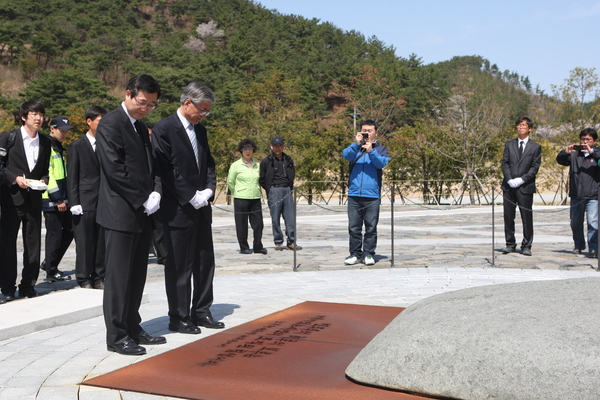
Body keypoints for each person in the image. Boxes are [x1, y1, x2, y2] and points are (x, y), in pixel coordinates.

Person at [96, 74, 166, 355]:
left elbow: (152, 166)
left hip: (143, 212)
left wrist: (156, 192)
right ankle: (117, 335)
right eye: (142, 102)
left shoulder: (140, 127)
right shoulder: (111, 124)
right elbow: (115, 170)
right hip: (120, 213)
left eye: (152, 105)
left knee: (137, 275)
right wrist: (142, 199)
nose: (146, 108)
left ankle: (133, 326)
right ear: (127, 94)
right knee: (118, 277)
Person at [152, 81, 225, 335]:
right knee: (180, 266)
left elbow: (210, 165)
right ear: (187, 103)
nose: (204, 115)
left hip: (201, 208)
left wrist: (208, 190)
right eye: (202, 109)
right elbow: (165, 170)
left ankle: (202, 311)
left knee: (205, 263)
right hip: (177, 210)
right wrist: (188, 195)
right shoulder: (163, 129)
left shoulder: (200, 131)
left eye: (207, 111)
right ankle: (179, 317)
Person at [0, 100, 52, 301]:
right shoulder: (8, 138)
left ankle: (28, 285)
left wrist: (43, 181)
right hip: (11, 199)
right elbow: (1, 167)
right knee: (7, 244)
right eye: (34, 114)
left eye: (41, 114)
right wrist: (15, 179)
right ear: (24, 117)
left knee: (33, 244)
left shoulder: (46, 142)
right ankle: (7, 287)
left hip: (34, 199)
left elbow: (45, 170)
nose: (38, 118)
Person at [67, 106, 107, 289]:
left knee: (101, 242)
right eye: (100, 121)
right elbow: (72, 176)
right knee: (84, 243)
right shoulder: (77, 146)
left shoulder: (107, 144)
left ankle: (99, 277)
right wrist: (74, 202)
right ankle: (84, 278)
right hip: (84, 201)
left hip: (103, 200)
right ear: (89, 121)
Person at [341, 119, 390, 266]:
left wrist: (371, 151)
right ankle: (354, 253)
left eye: (369, 131)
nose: (366, 133)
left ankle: (368, 253)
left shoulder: (381, 149)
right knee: (354, 227)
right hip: (354, 194)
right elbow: (346, 155)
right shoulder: (355, 148)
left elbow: (381, 163)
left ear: (376, 132)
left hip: (372, 195)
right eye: (364, 130)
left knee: (371, 226)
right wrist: (356, 144)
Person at [501, 116, 542, 256]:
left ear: (529, 128)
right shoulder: (509, 144)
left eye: (524, 125)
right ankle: (510, 244)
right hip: (509, 186)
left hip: (525, 187)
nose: (521, 127)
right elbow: (505, 163)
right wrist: (509, 179)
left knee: (526, 216)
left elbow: (535, 167)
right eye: (519, 125)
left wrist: (522, 179)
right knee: (508, 216)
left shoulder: (535, 147)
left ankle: (526, 245)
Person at [556, 128, 600, 258]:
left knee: (593, 222)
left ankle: (594, 247)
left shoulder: (597, 153)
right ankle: (579, 245)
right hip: (576, 194)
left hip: (593, 195)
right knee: (575, 222)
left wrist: (593, 153)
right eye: (583, 139)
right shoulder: (575, 154)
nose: (585, 142)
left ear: (595, 141)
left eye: (588, 140)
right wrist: (565, 152)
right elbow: (560, 160)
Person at [41, 116, 74, 283]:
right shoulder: (47, 146)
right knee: (54, 235)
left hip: (62, 198)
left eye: (67, 131)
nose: (65, 134)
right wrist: (58, 198)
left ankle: (49, 263)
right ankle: (51, 272)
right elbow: (49, 176)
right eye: (62, 131)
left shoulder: (58, 147)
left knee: (69, 230)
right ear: (52, 129)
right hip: (52, 199)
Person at [259, 136, 301, 251]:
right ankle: (278, 241)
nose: (278, 148)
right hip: (274, 190)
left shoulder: (288, 159)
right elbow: (262, 178)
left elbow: (292, 174)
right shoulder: (266, 161)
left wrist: (289, 187)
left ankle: (291, 241)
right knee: (275, 218)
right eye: (275, 146)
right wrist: (269, 189)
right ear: (271, 147)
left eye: (280, 146)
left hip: (287, 190)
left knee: (290, 218)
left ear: (283, 146)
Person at [227, 138, 266, 255]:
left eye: (250, 149)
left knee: (258, 224)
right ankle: (244, 247)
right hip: (241, 198)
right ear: (241, 151)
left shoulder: (257, 165)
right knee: (241, 224)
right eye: (245, 150)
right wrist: (237, 192)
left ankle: (258, 246)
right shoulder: (235, 165)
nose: (248, 151)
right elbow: (230, 181)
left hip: (255, 198)